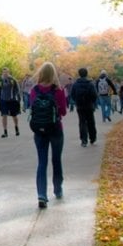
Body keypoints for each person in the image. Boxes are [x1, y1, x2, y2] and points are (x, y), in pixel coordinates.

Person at [29, 63, 68, 209]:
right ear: (53, 74)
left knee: (42, 162)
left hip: (39, 130)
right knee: (56, 160)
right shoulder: (58, 90)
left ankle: (41, 195)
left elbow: (31, 107)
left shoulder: (34, 90)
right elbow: (63, 112)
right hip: (56, 128)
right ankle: (57, 189)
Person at [70, 68, 98, 147]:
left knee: (82, 123)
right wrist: (92, 102)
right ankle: (92, 138)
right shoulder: (90, 84)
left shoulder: (75, 84)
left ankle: (84, 140)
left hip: (80, 106)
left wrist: (76, 101)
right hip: (89, 105)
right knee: (91, 122)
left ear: (79, 74)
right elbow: (94, 95)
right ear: (87, 74)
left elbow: (72, 94)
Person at [0, 67, 21, 137]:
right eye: (4, 72)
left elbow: (17, 89)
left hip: (12, 100)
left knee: (14, 116)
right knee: (4, 115)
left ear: (8, 73)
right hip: (3, 101)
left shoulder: (13, 80)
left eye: (6, 72)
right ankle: (5, 132)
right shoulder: (0, 81)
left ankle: (16, 128)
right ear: (2, 73)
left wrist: (15, 96)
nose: (5, 74)